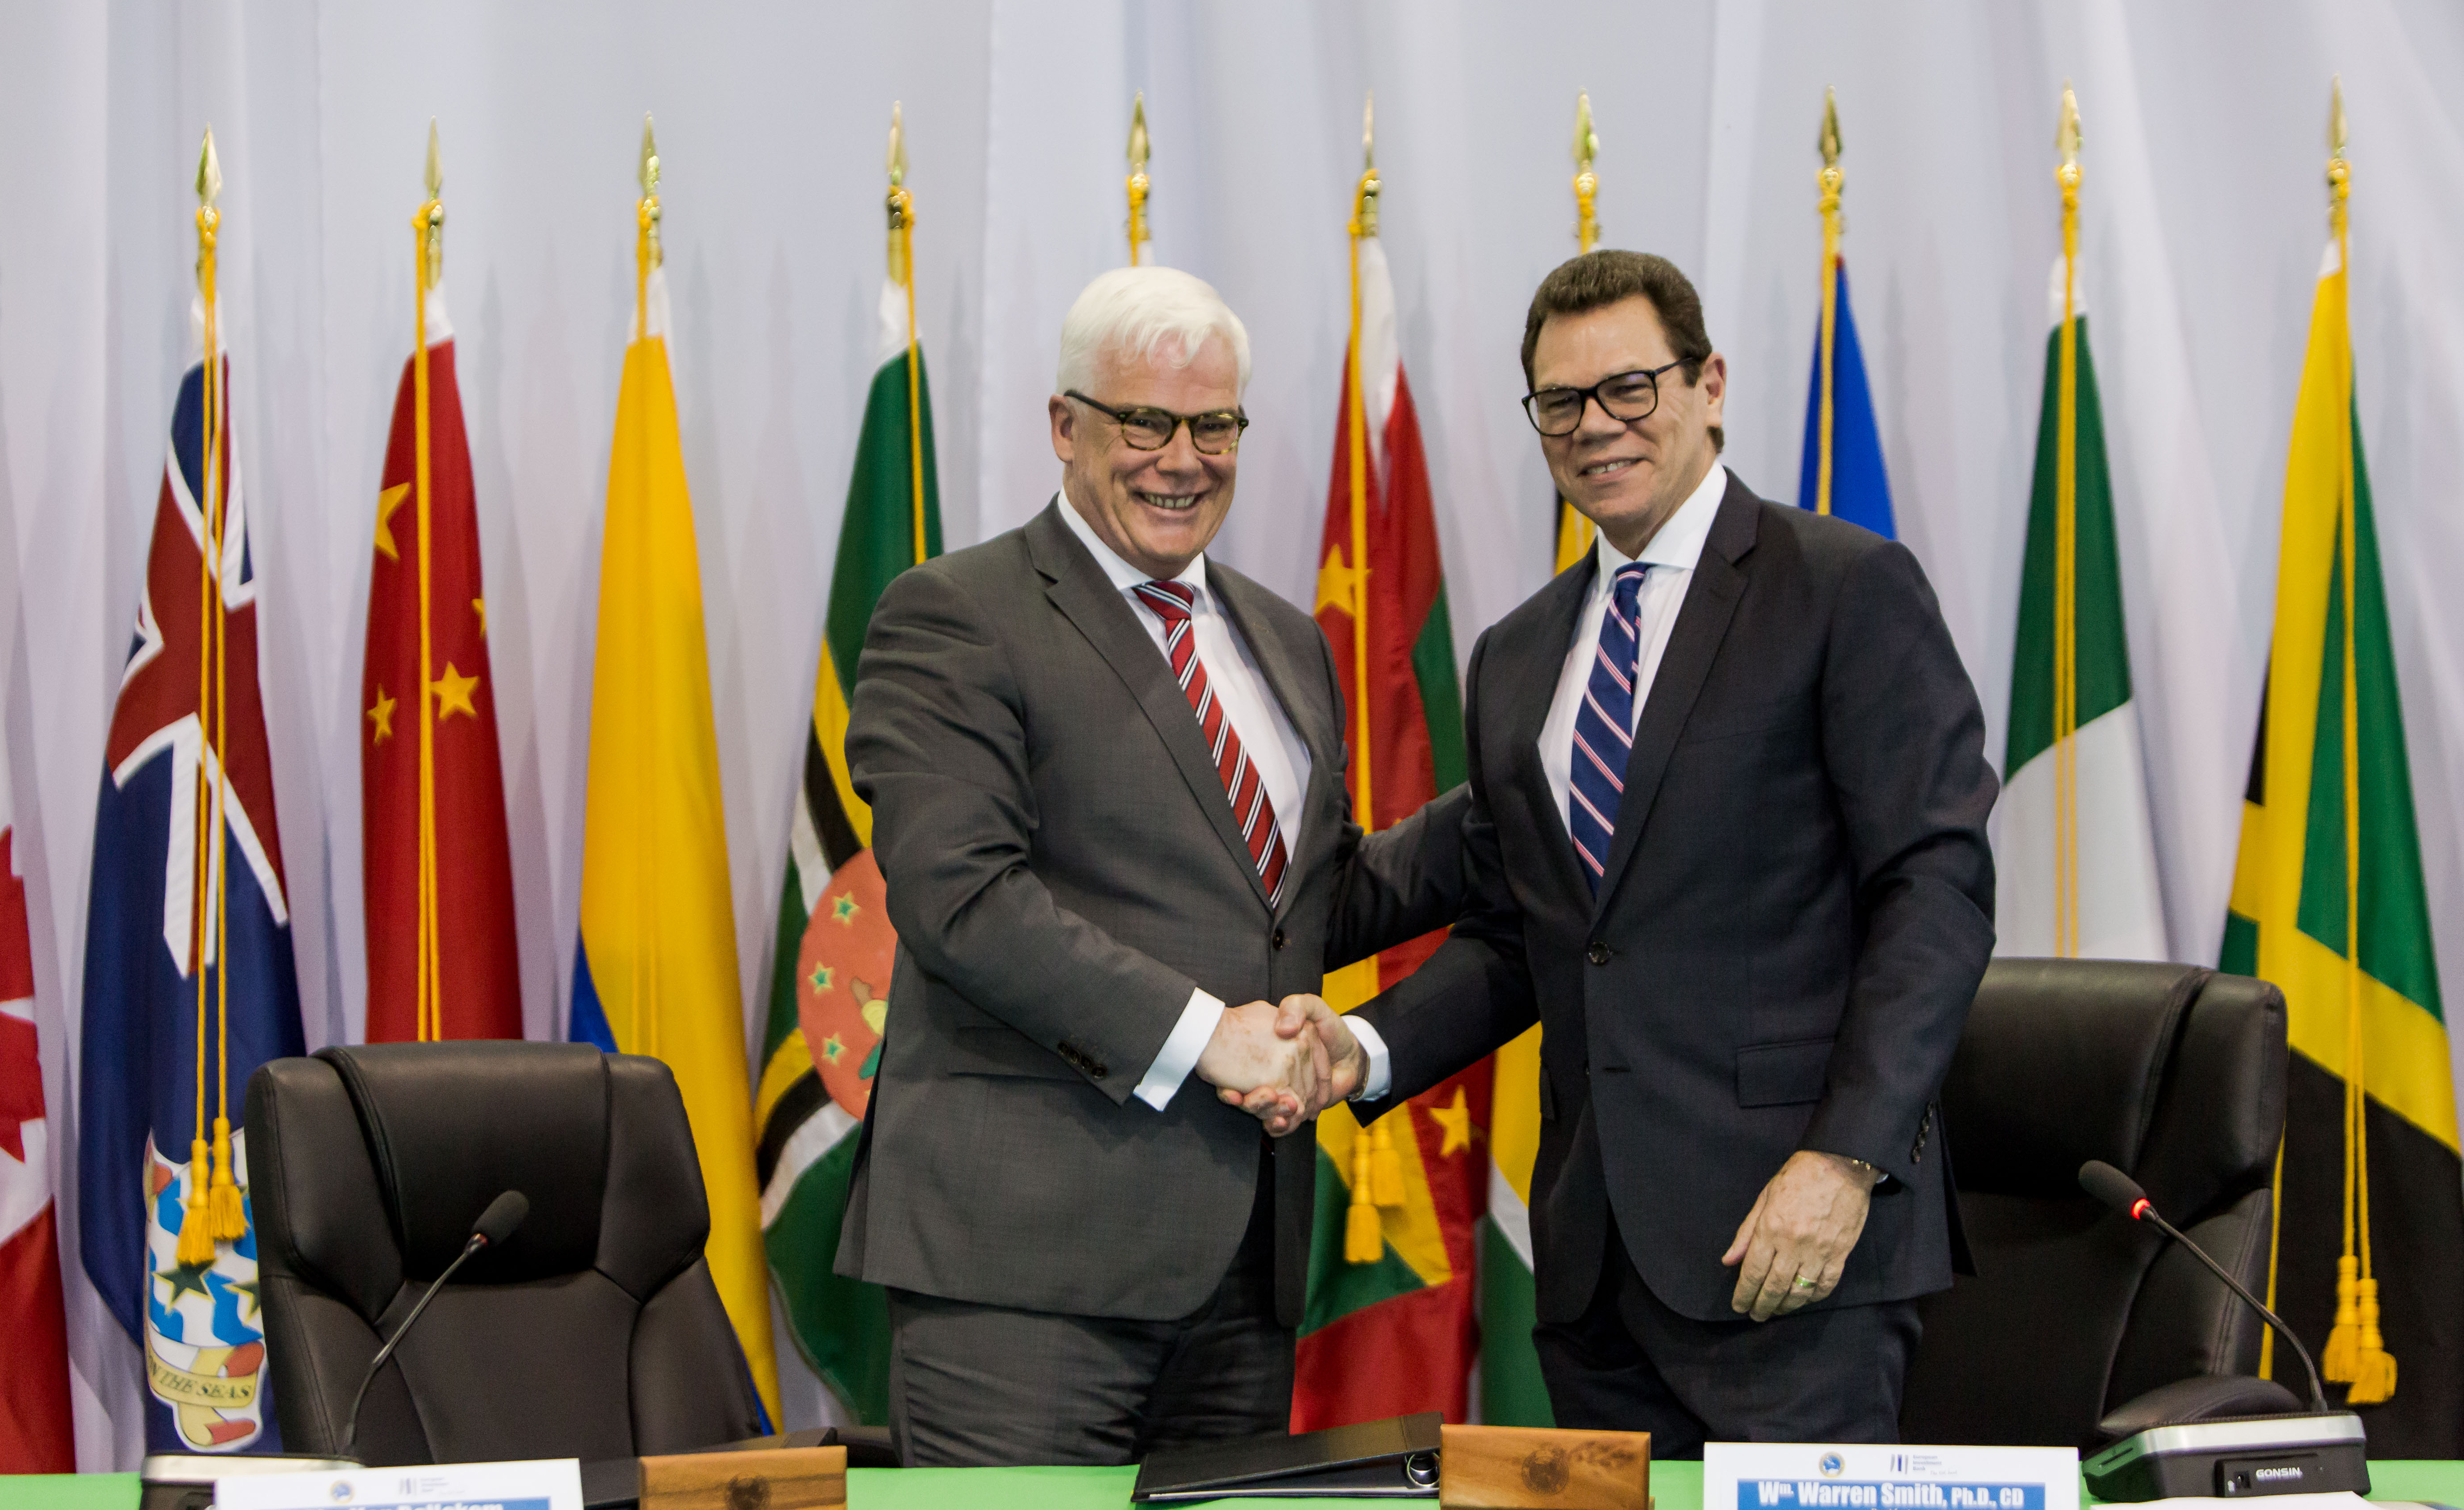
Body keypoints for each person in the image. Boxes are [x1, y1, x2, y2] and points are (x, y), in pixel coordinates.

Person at [1251, 250, 1995, 1452]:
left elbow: (1937, 894)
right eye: (1561, 403)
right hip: (1596, 1274)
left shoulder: (1840, 589)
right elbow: (1530, 936)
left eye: (1629, 389)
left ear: (1708, 385)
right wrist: (1368, 1049)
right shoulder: (1518, 654)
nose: (1595, 426)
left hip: (1792, 1252)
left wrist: (1845, 1163)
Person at [835, 265, 1462, 1466]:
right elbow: (961, 902)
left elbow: (1302, 906)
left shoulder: (1281, 637)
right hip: (1020, 1277)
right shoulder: (955, 614)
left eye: (1213, 425)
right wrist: (1203, 1035)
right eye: (1145, 423)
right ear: (1065, 427)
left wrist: (1519, 808)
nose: (1183, 458)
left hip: (1242, 1268)